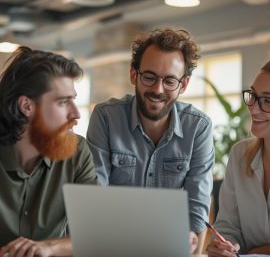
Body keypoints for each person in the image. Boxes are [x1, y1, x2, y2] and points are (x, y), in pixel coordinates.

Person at [87, 28, 214, 253]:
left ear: (183, 85)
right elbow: (96, 200)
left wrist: (191, 242)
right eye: (149, 77)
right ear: (134, 75)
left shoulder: (198, 128)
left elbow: (197, 208)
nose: (157, 89)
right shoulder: (106, 117)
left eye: (169, 81)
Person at [0, 46, 98, 257]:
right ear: (27, 106)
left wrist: (48, 247)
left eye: (74, 99)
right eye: (63, 102)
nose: (75, 114)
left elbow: (93, 234)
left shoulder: (78, 152)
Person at [206, 60, 270, 256]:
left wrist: (254, 252)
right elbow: (228, 227)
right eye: (253, 95)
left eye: (267, 100)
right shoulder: (239, 155)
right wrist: (225, 246)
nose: (252, 107)